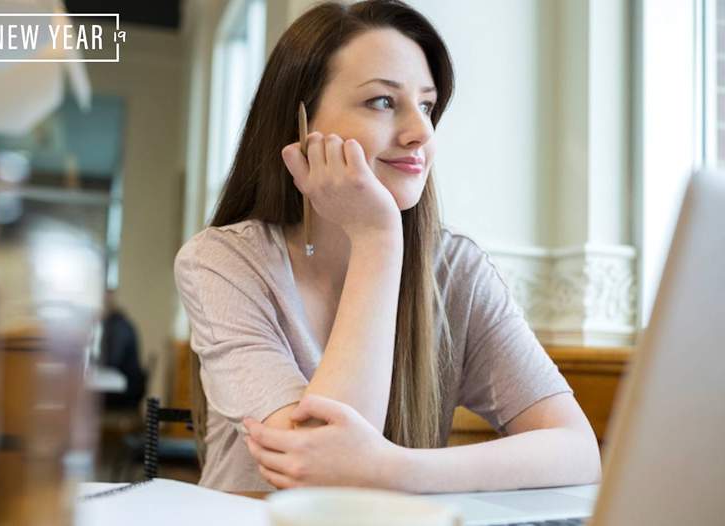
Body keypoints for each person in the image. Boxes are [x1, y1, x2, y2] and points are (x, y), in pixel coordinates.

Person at [174, 0, 601, 492]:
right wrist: (377, 237)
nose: (421, 131)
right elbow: (318, 483)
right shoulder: (221, 263)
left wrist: (391, 467)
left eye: (426, 104)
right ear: (301, 125)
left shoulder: (455, 268)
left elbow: (577, 450)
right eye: (382, 101)